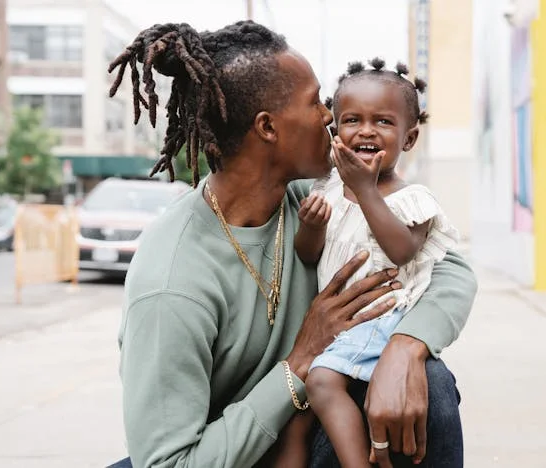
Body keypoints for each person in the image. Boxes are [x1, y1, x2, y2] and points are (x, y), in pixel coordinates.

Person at [105, 20, 477, 468]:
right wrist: (298, 363)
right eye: (315, 103)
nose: (329, 117)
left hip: (310, 431)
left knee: (426, 381)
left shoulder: (316, 199)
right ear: (268, 128)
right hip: (229, 456)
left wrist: (407, 344)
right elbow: (171, 464)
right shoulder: (172, 282)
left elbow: (448, 266)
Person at [287, 58, 460, 468]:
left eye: (383, 122)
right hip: (341, 326)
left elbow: (402, 250)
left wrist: (365, 189)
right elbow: (310, 256)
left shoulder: (411, 200)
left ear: (409, 137)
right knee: (294, 420)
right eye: (352, 120)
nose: (365, 131)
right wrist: (310, 227)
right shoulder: (325, 190)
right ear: (335, 130)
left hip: (381, 318)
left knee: (324, 384)